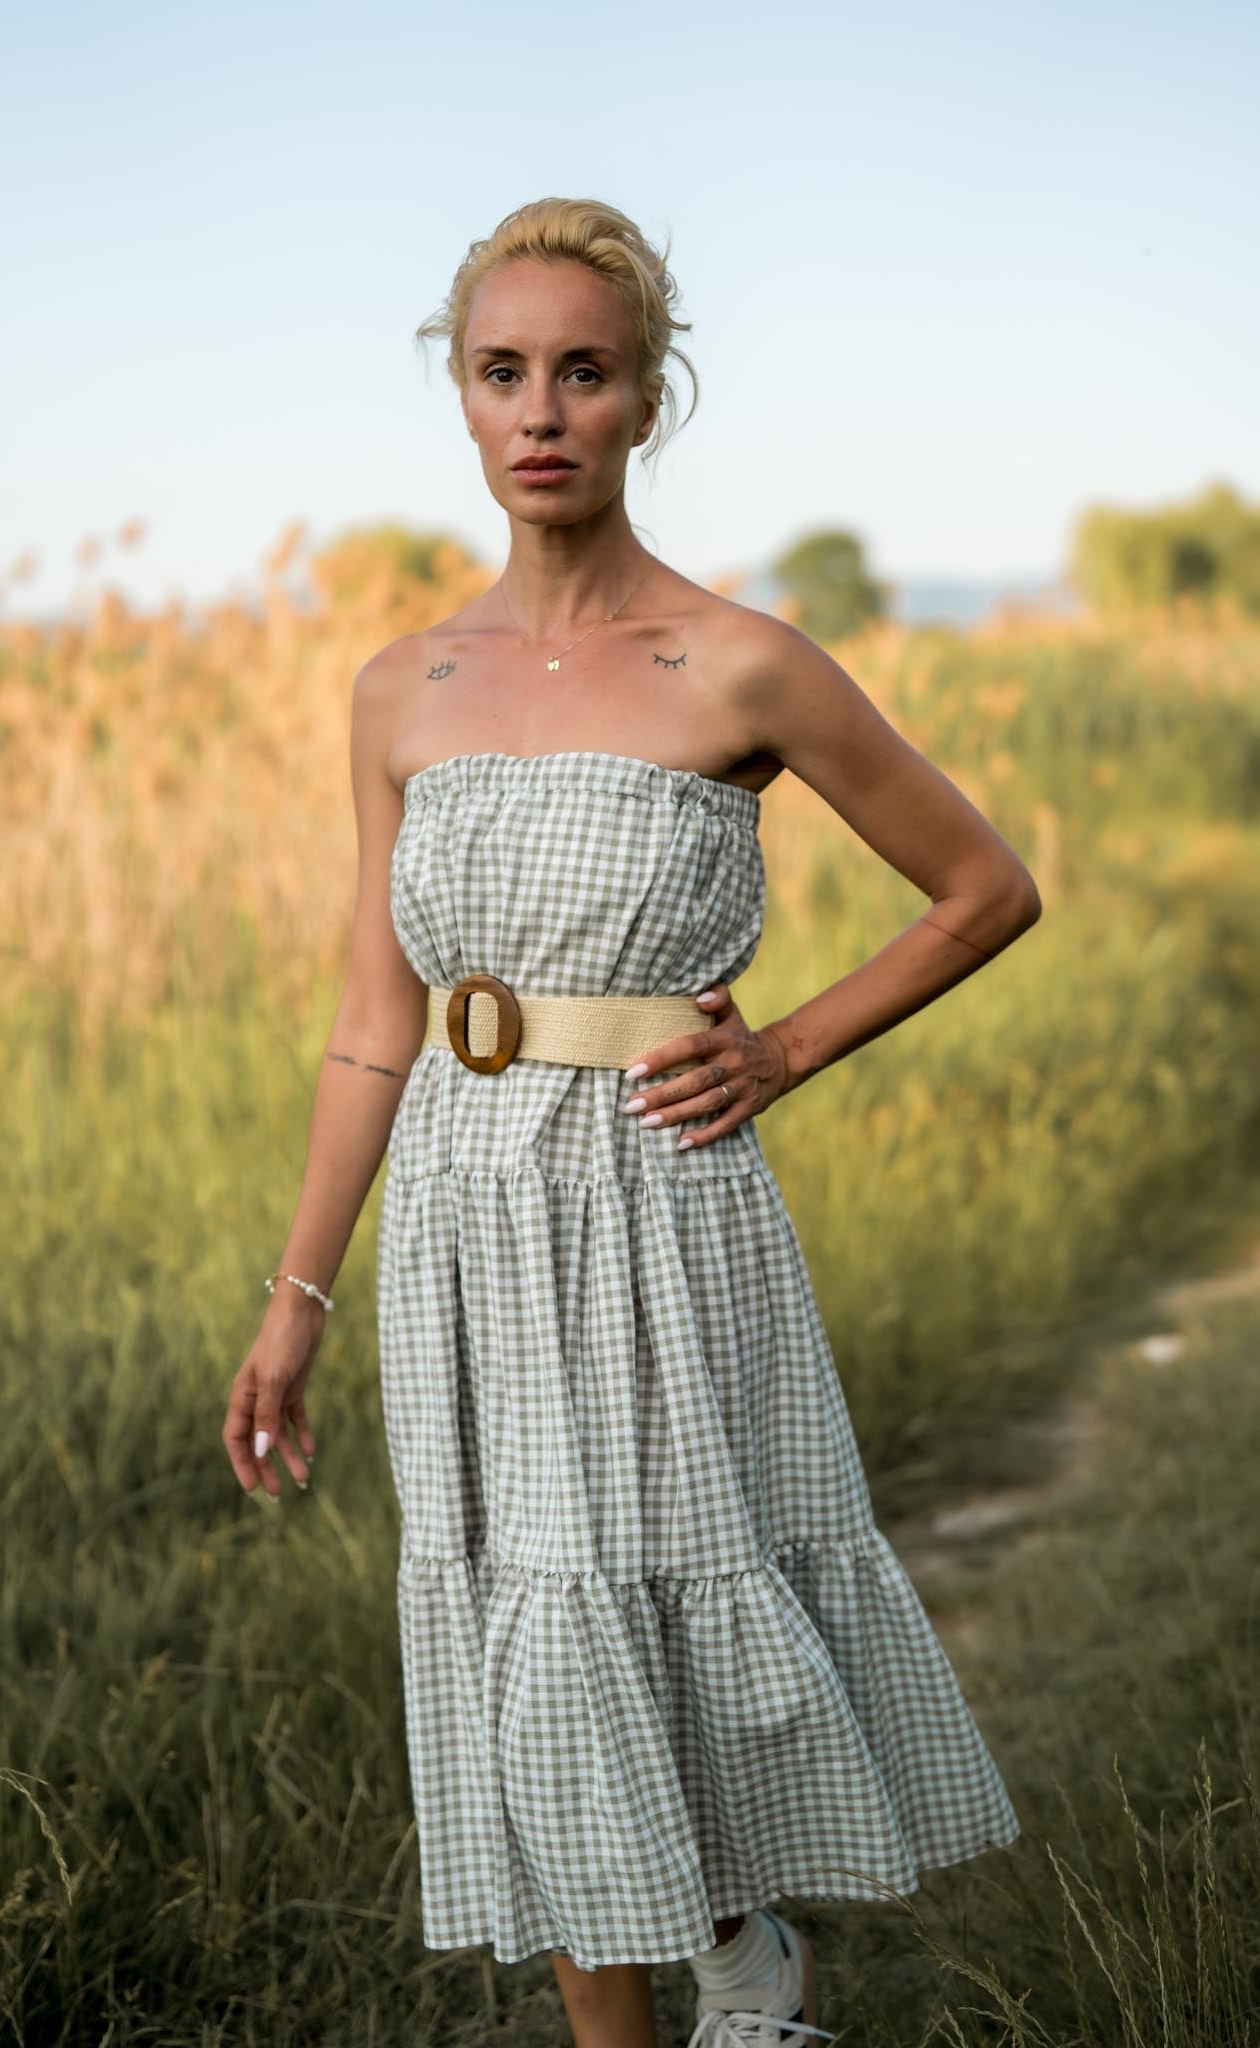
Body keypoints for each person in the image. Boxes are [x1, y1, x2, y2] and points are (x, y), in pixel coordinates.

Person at [221, 196, 1039, 2048]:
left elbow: (981, 888)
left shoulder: (734, 663)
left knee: (647, 1596)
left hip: (662, 1202)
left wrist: (788, 1048)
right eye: (501, 372)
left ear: (646, 397)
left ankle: (741, 1946)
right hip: (453, 1205)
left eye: (581, 373)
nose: (539, 413)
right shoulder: (398, 688)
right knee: (528, 1629)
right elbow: (375, 1019)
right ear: (461, 395)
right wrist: (298, 1296)